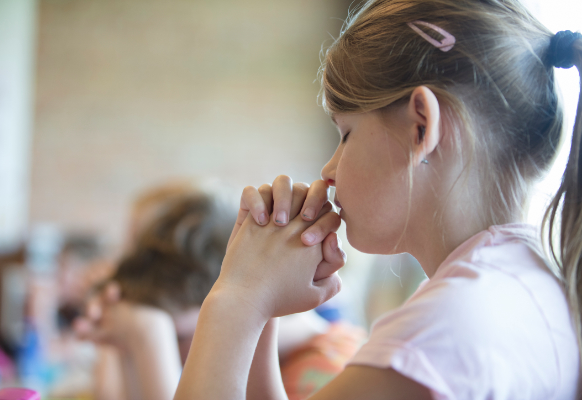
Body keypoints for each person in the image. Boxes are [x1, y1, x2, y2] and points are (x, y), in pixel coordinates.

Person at [173, 1, 582, 399]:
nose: (328, 170)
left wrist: (235, 299)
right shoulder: (525, 280)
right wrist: (259, 306)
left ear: (421, 126)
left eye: (346, 133)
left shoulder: (442, 332)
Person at [74, 181, 365, 400]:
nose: (178, 350)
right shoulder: (263, 338)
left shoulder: (323, 372)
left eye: (176, 336)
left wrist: (149, 339)